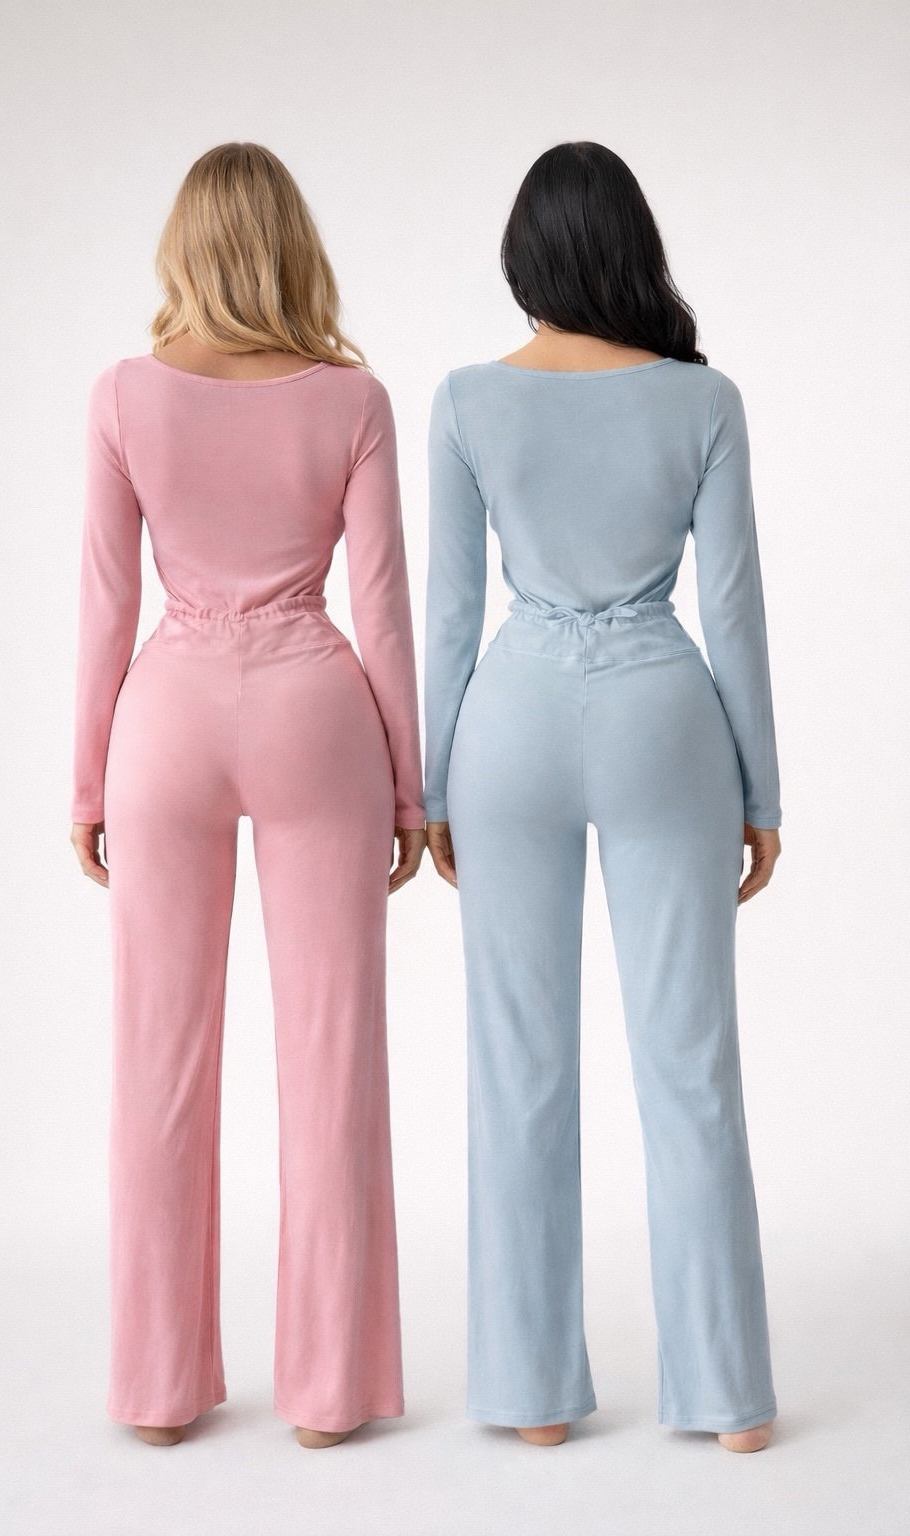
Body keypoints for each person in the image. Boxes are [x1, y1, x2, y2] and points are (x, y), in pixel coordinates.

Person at [424, 141, 781, 1453]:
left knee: (519, 1069)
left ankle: (530, 1399)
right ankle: (729, 1400)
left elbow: (450, 612)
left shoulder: (467, 400)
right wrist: (761, 790)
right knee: (690, 1066)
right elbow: (733, 613)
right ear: (634, 250)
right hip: (663, 723)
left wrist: (430, 788)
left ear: (525, 255)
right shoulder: (704, 402)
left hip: (508, 726)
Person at [69, 142, 426, 1449]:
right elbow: (381, 608)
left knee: (159, 1064)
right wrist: (410, 790)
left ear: (184, 247)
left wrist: (87, 779)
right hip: (316, 715)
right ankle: (329, 1394)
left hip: (163, 720)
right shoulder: (354, 400)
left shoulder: (124, 396)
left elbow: (108, 602)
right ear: (291, 248)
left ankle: (159, 1390)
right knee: (331, 1059)